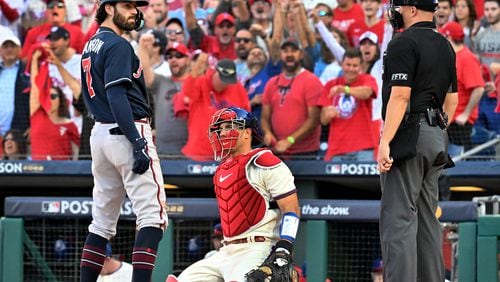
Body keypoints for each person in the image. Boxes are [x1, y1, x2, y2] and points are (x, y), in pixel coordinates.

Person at [79, 1, 168, 281]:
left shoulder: (90, 44)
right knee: (153, 217)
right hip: (126, 131)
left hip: (101, 133)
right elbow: (117, 95)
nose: (135, 11)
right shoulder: (118, 45)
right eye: (128, 5)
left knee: (102, 223)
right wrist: (137, 141)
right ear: (107, 9)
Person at [168, 107, 300, 281]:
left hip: (256, 247)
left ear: (246, 133)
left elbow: (292, 208)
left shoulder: (263, 160)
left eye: (228, 127)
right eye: (219, 129)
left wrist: (284, 247)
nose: (222, 133)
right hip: (225, 250)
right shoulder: (221, 169)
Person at [377, 0, 458, 281]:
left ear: (412, 10)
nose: (395, 12)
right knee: (426, 220)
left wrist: (386, 140)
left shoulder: (402, 42)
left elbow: (400, 96)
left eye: (399, 7)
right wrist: (437, 130)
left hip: (409, 135)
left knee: (398, 220)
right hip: (436, 136)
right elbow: (452, 100)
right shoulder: (444, 44)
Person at [261, 37, 322, 157]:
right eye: (285, 51)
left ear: (301, 54)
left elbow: (314, 119)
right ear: (280, 54)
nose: (289, 54)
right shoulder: (272, 83)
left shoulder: (311, 81)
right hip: (277, 151)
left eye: (293, 51)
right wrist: (267, 133)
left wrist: (290, 140)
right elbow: (264, 117)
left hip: (304, 153)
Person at [181, 55, 250, 161]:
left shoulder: (238, 88)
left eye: (228, 80)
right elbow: (187, 93)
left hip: (228, 156)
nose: (224, 83)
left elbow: (246, 120)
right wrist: (194, 72)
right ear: (214, 72)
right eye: (222, 79)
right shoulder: (201, 82)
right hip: (199, 154)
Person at [320, 48, 378, 161]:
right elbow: (323, 120)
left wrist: (344, 89)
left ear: (361, 67)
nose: (351, 69)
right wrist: (327, 114)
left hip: (363, 148)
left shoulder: (367, 79)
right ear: (342, 64)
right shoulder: (330, 85)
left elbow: (367, 92)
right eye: (348, 64)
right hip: (337, 149)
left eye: (355, 65)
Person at [440, 21, 485, 156]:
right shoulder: (450, 57)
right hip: (447, 118)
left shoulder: (467, 58)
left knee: (455, 162)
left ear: (448, 37)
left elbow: (479, 88)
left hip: (459, 121)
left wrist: (466, 114)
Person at [29, 50, 80, 161]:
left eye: (53, 96)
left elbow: (78, 154)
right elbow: (35, 87)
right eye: (46, 96)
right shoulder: (37, 115)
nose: (49, 99)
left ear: (60, 100)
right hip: (37, 172)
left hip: (61, 173)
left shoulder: (71, 125)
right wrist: (34, 60)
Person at [0, 35, 30, 137]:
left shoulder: (27, 71)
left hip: (20, 131)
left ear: (20, 49)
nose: (9, 49)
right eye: (5, 46)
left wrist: (33, 125)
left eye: (12, 46)